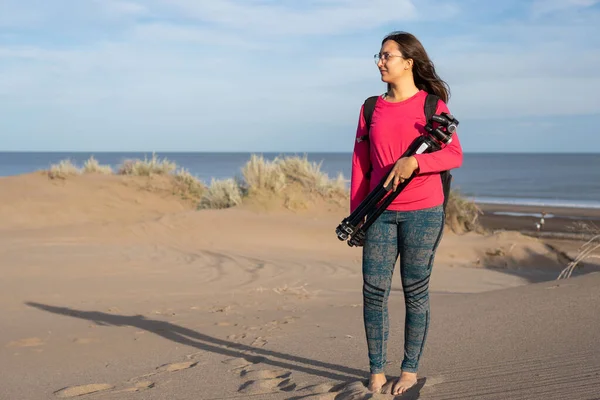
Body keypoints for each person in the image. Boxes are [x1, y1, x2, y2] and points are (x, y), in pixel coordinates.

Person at [350, 31, 463, 395]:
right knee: (373, 292)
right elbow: (360, 166)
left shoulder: (432, 106)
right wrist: (357, 215)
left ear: (408, 62)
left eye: (388, 56)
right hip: (379, 213)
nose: (381, 62)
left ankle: (410, 371)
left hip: (424, 213)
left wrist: (415, 161)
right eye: (379, 56)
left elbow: (453, 155)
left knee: (415, 293)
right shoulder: (371, 108)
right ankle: (377, 371)